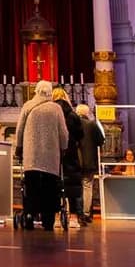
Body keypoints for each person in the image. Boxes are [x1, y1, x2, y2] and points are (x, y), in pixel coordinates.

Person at [14, 80, 68, 231]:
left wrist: (18, 149)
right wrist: (63, 148)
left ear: (36, 91)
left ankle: (30, 214)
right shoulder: (56, 109)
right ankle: (48, 219)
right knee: (50, 187)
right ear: (50, 92)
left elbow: (19, 130)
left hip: (31, 157)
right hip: (51, 158)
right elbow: (63, 133)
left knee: (31, 187)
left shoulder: (27, 106)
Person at [52, 88, 84, 225]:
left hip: (54, 153)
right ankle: (74, 217)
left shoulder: (50, 113)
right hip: (70, 153)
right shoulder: (72, 114)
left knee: (54, 184)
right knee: (71, 184)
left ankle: (57, 217)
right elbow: (80, 134)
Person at [75, 103, 105, 224]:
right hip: (89, 161)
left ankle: (75, 212)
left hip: (75, 161)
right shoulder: (92, 125)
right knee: (87, 186)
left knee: (75, 187)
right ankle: (86, 213)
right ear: (87, 113)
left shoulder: (73, 124)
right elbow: (101, 141)